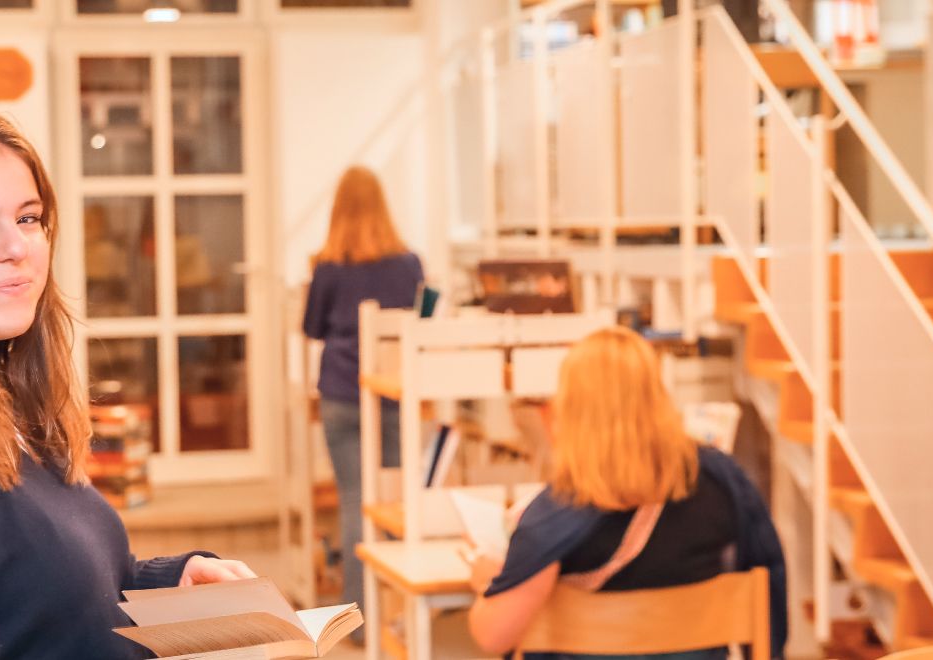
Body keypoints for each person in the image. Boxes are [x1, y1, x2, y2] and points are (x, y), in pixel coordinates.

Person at [0, 110, 256, 658]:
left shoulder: (6, 400)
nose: (16, 248)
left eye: (28, 218)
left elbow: (47, 604)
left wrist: (171, 582)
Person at [466, 327, 788, 659]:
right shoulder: (719, 481)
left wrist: (487, 582)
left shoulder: (556, 513)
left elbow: (493, 636)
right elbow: (765, 578)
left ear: (574, 411)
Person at [300, 166, 424, 623]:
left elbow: (311, 328)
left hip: (340, 394)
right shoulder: (409, 264)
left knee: (355, 500)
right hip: (393, 394)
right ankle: (398, 609)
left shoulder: (329, 267)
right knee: (396, 500)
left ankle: (356, 619)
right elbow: (419, 322)